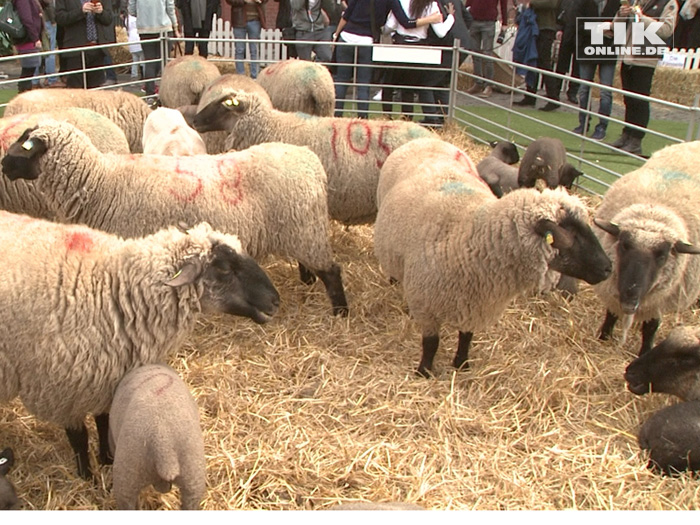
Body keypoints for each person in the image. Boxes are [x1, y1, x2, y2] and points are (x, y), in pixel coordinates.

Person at [333, 0, 443, 119]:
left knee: (341, 81)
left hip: (346, 36)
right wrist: (430, 19)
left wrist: (336, 35)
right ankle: (362, 119)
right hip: (367, 40)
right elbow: (406, 23)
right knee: (363, 84)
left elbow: (346, 15)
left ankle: (336, 117)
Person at [608, 0, 677, 154]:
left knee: (640, 100)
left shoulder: (668, 3)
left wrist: (642, 17)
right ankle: (627, 134)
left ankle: (636, 140)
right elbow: (615, 27)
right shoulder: (636, 1)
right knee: (629, 99)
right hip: (628, 55)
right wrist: (621, 14)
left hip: (646, 58)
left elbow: (667, 30)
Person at [382, 0, 454, 122]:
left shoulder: (401, 3)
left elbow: (389, 27)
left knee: (389, 85)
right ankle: (407, 120)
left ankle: (387, 118)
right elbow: (441, 32)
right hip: (419, 49)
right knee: (409, 89)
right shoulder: (431, 5)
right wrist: (451, 17)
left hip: (400, 46)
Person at [572, 0, 619, 140]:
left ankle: (602, 127)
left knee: (605, 91)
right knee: (584, 88)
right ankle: (583, 123)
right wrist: (603, 28)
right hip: (587, 49)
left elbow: (622, 27)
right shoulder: (584, 3)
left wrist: (597, 28)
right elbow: (578, 25)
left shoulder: (617, 3)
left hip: (608, 50)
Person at [429, 0, 474, 116]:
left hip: (449, 43)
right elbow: (468, 18)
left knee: (437, 81)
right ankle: (441, 116)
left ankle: (439, 117)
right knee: (442, 80)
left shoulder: (434, 3)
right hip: (463, 42)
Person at [55, 0, 114, 88]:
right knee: (76, 89)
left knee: (95, 90)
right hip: (75, 50)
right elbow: (60, 18)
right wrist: (80, 11)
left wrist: (101, 12)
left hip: (96, 49)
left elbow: (108, 19)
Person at [128, 0, 180, 97]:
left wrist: (142, 14)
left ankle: (150, 93)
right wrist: (175, 26)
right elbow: (170, 7)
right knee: (164, 61)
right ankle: (165, 93)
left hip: (144, 28)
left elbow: (131, 10)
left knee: (149, 61)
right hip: (163, 27)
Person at [513, 0, 559, 108]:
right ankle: (530, 95)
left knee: (544, 63)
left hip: (545, 29)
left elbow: (552, 3)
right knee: (532, 61)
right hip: (534, 26)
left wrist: (532, 3)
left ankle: (554, 98)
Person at [465, 0, 508, 98]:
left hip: (489, 22)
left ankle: (488, 85)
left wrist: (504, 23)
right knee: (475, 54)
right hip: (474, 20)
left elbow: (503, 3)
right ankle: (478, 82)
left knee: (487, 54)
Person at [543, 0, 579, 109]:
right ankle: (556, 90)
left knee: (577, 66)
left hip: (581, 34)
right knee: (562, 63)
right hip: (567, 31)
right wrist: (559, 29)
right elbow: (561, 12)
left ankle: (572, 92)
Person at [227, 0, 267, 78]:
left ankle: (254, 76)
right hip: (239, 19)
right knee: (239, 50)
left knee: (254, 50)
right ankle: (240, 75)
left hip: (255, 20)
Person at [13, 0, 44, 92]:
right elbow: (26, 19)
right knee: (28, 71)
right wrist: (35, 38)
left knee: (29, 71)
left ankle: (24, 93)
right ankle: (23, 94)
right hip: (28, 40)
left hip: (29, 39)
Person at [34, 0, 59, 88]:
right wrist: (53, 20)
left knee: (37, 51)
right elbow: (48, 3)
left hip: (36, 20)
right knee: (50, 51)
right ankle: (51, 79)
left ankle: (35, 81)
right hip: (46, 20)